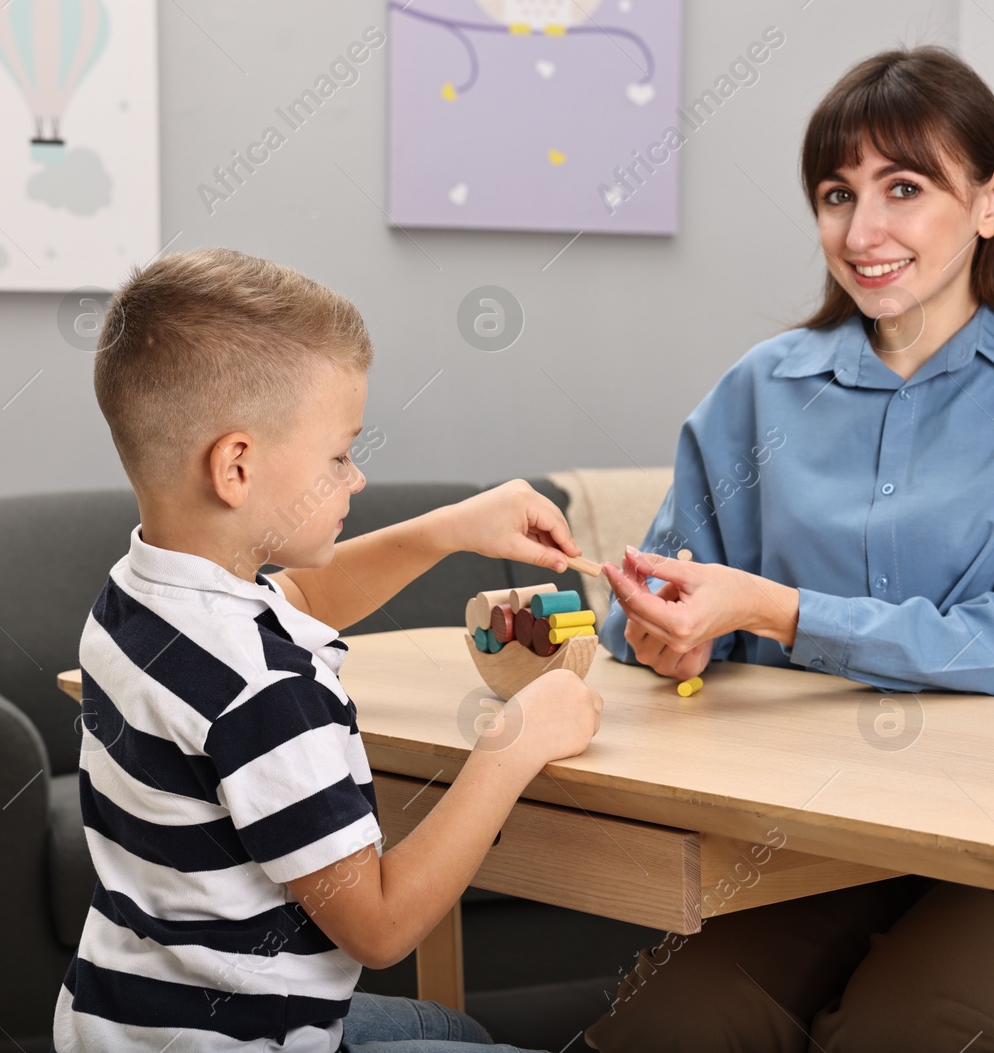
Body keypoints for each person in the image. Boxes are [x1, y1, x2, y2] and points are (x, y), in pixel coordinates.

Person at [585, 47, 994, 1052]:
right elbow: (655, 596)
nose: (861, 231)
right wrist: (663, 635)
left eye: (904, 188)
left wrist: (780, 612)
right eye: (837, 193)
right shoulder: (761, 387)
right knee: (670, 1021)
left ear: (990, 201)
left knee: (897, 1034)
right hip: (820, 833)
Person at [53, 248, 601, 1053]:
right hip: (244, 1040)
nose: (358, 477)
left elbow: (298, 598)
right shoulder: (267, 693)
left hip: (127, 1023)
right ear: (236, 466)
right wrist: (515, 741)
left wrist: (449, 529)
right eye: (339, 454)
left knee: (445, 1027)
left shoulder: (139, 595)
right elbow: (379, 927)